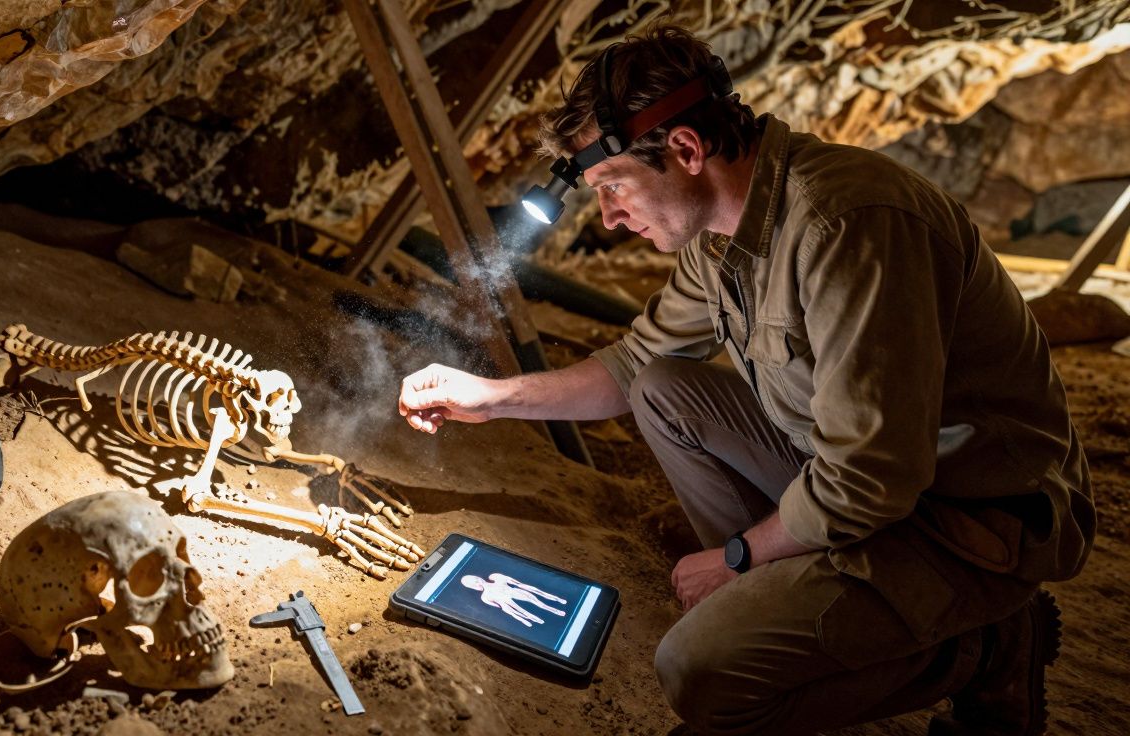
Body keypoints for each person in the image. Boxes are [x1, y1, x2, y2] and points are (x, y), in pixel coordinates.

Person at [396, 24, 1095, 736]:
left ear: (687, 150)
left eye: (613, 187)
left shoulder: (846, 226)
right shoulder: (720, 240)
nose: (607, 217)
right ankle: (792, 601)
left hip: (964, 521)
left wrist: (736, 555)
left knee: (699, 673)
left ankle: (988, 647)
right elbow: (632, 367)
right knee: (664, 389)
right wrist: (489, 397)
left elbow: (873, 478)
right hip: (864, 486)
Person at [460, 572, 569, 627]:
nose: (477, 580)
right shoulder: (485, 597)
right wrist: (521, 618)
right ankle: (530, 618)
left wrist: (520, 586)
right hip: (507, 600)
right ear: (472, 586)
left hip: (515, 591)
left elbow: (517, 583)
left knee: (537, 600)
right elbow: (500, 606)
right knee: (512, 609)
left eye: (475, 578)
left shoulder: (496, 577)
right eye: (473, 582)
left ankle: (557, 604)